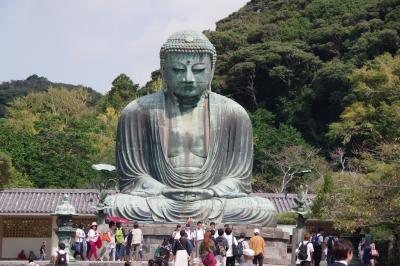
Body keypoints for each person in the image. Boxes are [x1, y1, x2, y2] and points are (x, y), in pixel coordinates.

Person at [103, 30, 278, 227]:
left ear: (211, 70)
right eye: (178, 70)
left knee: (264, 210)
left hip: (213, 200)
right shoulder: (137, 112)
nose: (188, 78)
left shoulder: (234, 113)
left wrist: (213, 191)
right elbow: (132, 178)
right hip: (160, 200)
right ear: (163, 69)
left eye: (198, 70)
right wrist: (162, 190)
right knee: (114, 205)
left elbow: (239, 180)